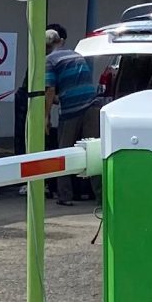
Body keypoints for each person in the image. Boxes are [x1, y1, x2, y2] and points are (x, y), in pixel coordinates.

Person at [45, 24, 103, 203]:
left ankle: (65, 196)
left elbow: (49, 91)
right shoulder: (76, 54)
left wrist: (45, 117)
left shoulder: (49, 60)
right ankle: (102, 198)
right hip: (92, 105)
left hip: (71, 110)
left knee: (64, 153)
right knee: (93, 153)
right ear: (60, 41)